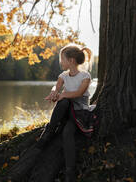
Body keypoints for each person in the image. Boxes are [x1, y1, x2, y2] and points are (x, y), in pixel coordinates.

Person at [36, 43, 96, 182]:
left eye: (61, 59)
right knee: (63, 102)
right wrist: (54, 93)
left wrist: (63, 95)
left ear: (71, 61)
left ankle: (70, 171)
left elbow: (79, 93)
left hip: (79, 113)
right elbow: (56, 86)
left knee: (67, 133)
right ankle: (49, 132)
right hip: (66, 111)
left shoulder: (85, 76)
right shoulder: (63, 75)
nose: (60, 62)